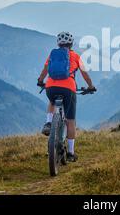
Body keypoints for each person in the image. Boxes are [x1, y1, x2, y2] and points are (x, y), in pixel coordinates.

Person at [37, 31, 95, 162]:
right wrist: (91, 86)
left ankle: (48, 123)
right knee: (70, 121)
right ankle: (70, 153)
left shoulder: (52, 54)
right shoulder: (75, 56)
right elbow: (85, 74)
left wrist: (40, 81)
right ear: (71, 43)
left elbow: (45, 70)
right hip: (68, 88)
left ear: (58, 43)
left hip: (51, 86)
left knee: (52, 102)